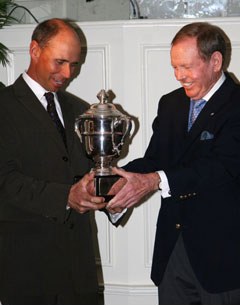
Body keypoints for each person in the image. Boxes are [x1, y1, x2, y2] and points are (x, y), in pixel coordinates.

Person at [107, 22, 240, 304]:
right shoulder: (171, 104)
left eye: (187, 67)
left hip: (224, 259)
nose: (180, 76)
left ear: (215, 61)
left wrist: (155, 180)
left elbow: (221, 167)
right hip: (172, 253)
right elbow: (156, 159)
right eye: (175, 67)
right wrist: (118, 181)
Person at [0, 18, 110, 305]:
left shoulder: (79, 109)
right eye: (60, 62)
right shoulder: (4, 106)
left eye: (74, 64)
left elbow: (88, 177)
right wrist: (65, 197)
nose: (68, 73)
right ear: (34, 50)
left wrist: (113, 194)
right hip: (27, 274)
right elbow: (4, 181)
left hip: (81, 274)